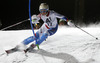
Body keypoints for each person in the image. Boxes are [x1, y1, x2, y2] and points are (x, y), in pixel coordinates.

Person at [5, 3, 75, 54]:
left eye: (44, 11)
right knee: (34, 37)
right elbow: (35, 19)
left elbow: (62, 16)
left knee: (46, 34)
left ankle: (35, 44)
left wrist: (68, 21)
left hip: (53, 28)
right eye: (41, 11)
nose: (43, 13)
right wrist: (32, 19)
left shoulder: (52, 13)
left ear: (47, 10)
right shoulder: (40, 15)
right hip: (45, 26)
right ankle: (21, 44)